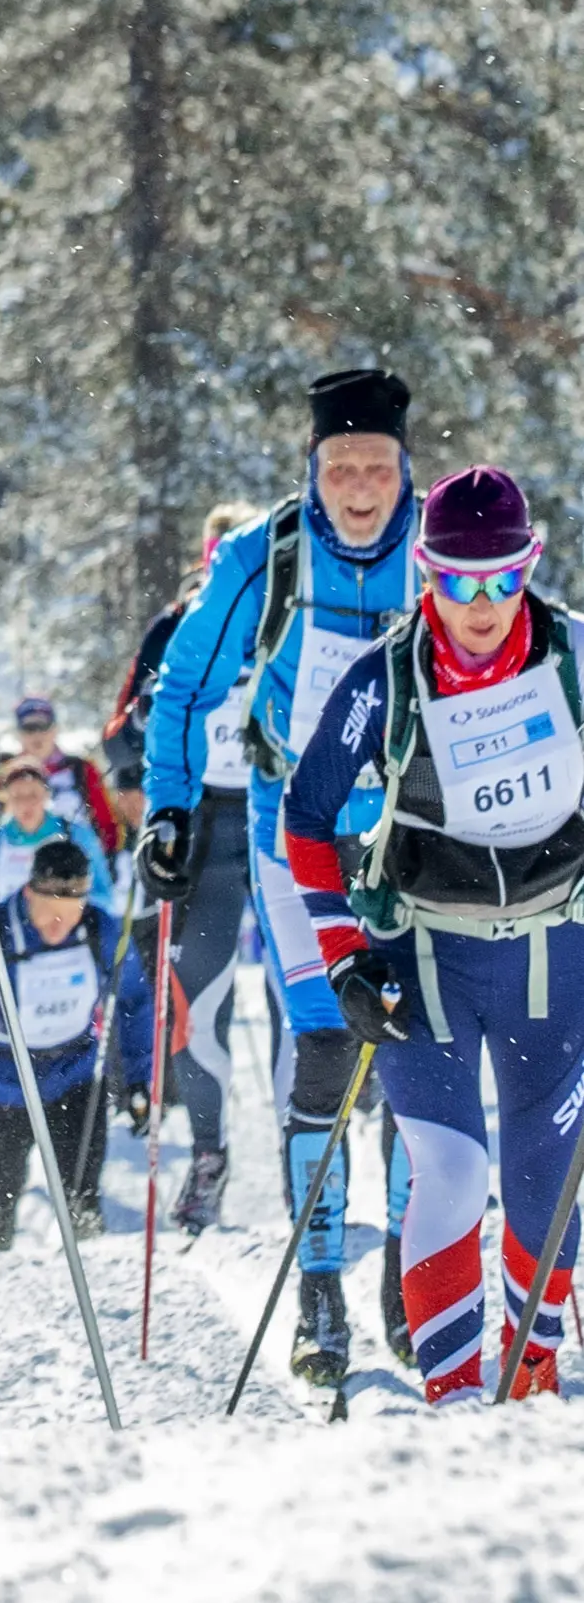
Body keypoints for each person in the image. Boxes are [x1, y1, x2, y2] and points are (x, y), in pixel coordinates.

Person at [280, 466, 584, 1403]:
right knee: (450, 1170)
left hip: (553, 954)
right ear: (427, 575)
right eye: (459, 580)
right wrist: (344, 962)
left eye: (503, 578)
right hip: (426, 956)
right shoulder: (388, 676)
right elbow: (306, 817)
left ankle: (529, 1360)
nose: (484, 604)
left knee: (550, 1176)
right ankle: (452, 1398)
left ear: (530, 568)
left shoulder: (573, 655)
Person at [137, 366, 418, 1381]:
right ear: (310, 466)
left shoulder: (438, 552)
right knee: (323, 1058)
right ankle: (318, 1299)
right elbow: (183, 684)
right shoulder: (265, 555)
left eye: (373, 467)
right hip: (285, 835)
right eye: (337, 465)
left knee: (409, 1063)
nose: (355, 486)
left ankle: (406, 1293)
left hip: (406, 839)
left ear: (401, 469)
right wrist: (168, 808)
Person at [103, 502, 262, 1229]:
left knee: (317, 1001)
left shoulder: (287, 614)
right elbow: (117, 736)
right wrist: (143, 751)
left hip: (285, 811)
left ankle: (330, 1154)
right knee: (197, 1004)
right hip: (203, 827)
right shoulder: (176, 624)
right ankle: (209, 1155)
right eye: (215, 560)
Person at [0, 835, 151, 1246]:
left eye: (70, 916)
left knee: (83, 1208)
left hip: (73, 1079)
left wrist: (140, 1079)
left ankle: (93, 1289)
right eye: (50, 916)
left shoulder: (99, 929)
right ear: (28, 892)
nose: (60, 927)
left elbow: (135, 1000)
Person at [0, 692, 125, 855]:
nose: (36, 735)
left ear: (54, 729)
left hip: (74, 863)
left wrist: (107, 859)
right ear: (19, 733)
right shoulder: (7, 775)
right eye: (29, 728)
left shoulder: (81, 770)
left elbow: (107, 823)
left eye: (43, 726)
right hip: (15, 863)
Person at [0, 758, 108, 920]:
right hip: (13, 935)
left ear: (47, 794)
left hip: (68, 933)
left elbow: (105, 895)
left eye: (33, 794)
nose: (26, 804)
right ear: (7, 799)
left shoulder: (75, 832)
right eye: (18, 796)